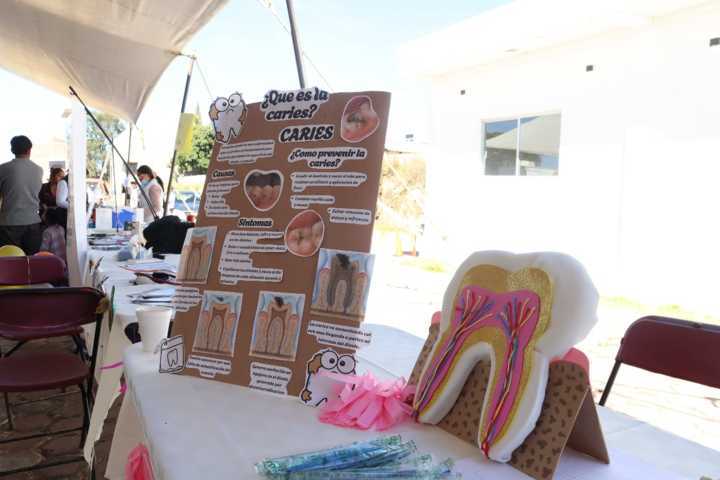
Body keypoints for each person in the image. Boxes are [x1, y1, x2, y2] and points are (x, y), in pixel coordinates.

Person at [0, 136, 43, 254]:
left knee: (10, 260)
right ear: (29, 150)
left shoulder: (3, 169)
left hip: (9, 222)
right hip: (33, 222)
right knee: (31, 260)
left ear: (12, 150)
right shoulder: (39, 170)